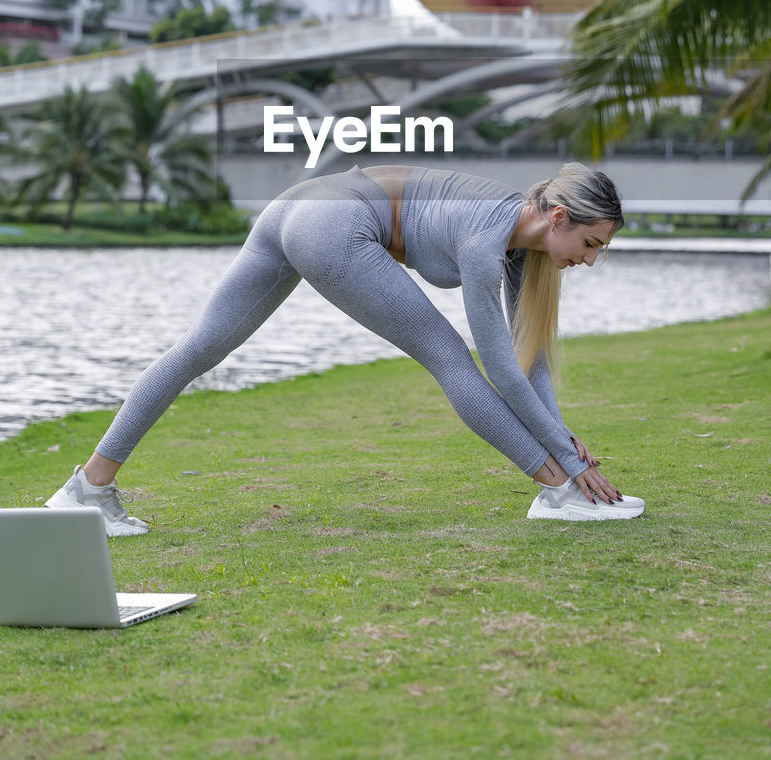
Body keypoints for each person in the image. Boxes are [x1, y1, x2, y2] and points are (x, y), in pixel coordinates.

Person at [46, 162, 645, 533]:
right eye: (590, 244)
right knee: (449, 357)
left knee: (197, 349)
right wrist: (569, 465)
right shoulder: (485, 239)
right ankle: (560, 496)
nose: (588, 260)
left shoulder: (520, 243)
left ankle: (88, 491)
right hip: (333, 224)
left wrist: (567, 444)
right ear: (560, 216)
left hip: (298, 206)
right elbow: (502, 375)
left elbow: (529, 362)